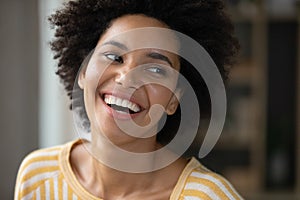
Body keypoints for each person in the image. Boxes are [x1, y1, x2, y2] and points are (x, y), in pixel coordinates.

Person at [14, 0, 243, 199]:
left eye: (155, 69)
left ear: (174, 99)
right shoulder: (38, 176)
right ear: (83, 71)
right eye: (114, 57)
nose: (127, 78)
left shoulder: (209, 196)